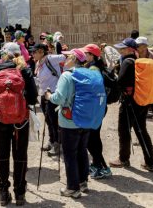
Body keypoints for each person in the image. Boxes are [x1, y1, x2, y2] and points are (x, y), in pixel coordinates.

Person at [0, 42, 38, 206]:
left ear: (4, 54)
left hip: (0, 120)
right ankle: (20, 193)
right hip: (20, 120)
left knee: (2, 156)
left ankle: (3, 193)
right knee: (20, 155)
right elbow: (33, 97)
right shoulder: (24, 70)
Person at [45, 48, 103, 199]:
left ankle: (72, 188)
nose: (65, 60)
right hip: (86, 119)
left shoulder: (67, 75)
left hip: (69, 121)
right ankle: (83, 182)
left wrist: (49, 96)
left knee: (70, 154)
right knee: (82, 151)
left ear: (73, 59)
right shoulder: (89, 74)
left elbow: (59, 99)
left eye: (67, 57)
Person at [109, 38, 153, 172]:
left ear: (130, 49)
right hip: (141, 100)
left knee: (124, 130)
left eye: (123, 48)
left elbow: (120, 82)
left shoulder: (127, 62)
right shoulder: (138, 61)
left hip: (129, 102)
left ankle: (123, 159)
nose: (120, 51)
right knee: (141, 130)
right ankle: (150, 162)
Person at [82, 44, 113, 179]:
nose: (84, 55)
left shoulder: (93, 69)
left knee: (90, 138)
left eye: (86, 53)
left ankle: (101, 167)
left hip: (94, 107)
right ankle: (97, 165)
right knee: (94, 136)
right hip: (100, 106)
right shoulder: (98, 67)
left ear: (92, 55)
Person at [31, 43, 65, 157]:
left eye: (34, 52)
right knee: (48, 120)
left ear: (41, 52)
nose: (32, 54)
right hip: (44, 94)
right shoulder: (38, 62)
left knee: (54, 120)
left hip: (54, 93)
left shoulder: (50, 58)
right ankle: (51, 140)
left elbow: (66, 57)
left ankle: (58, 144)